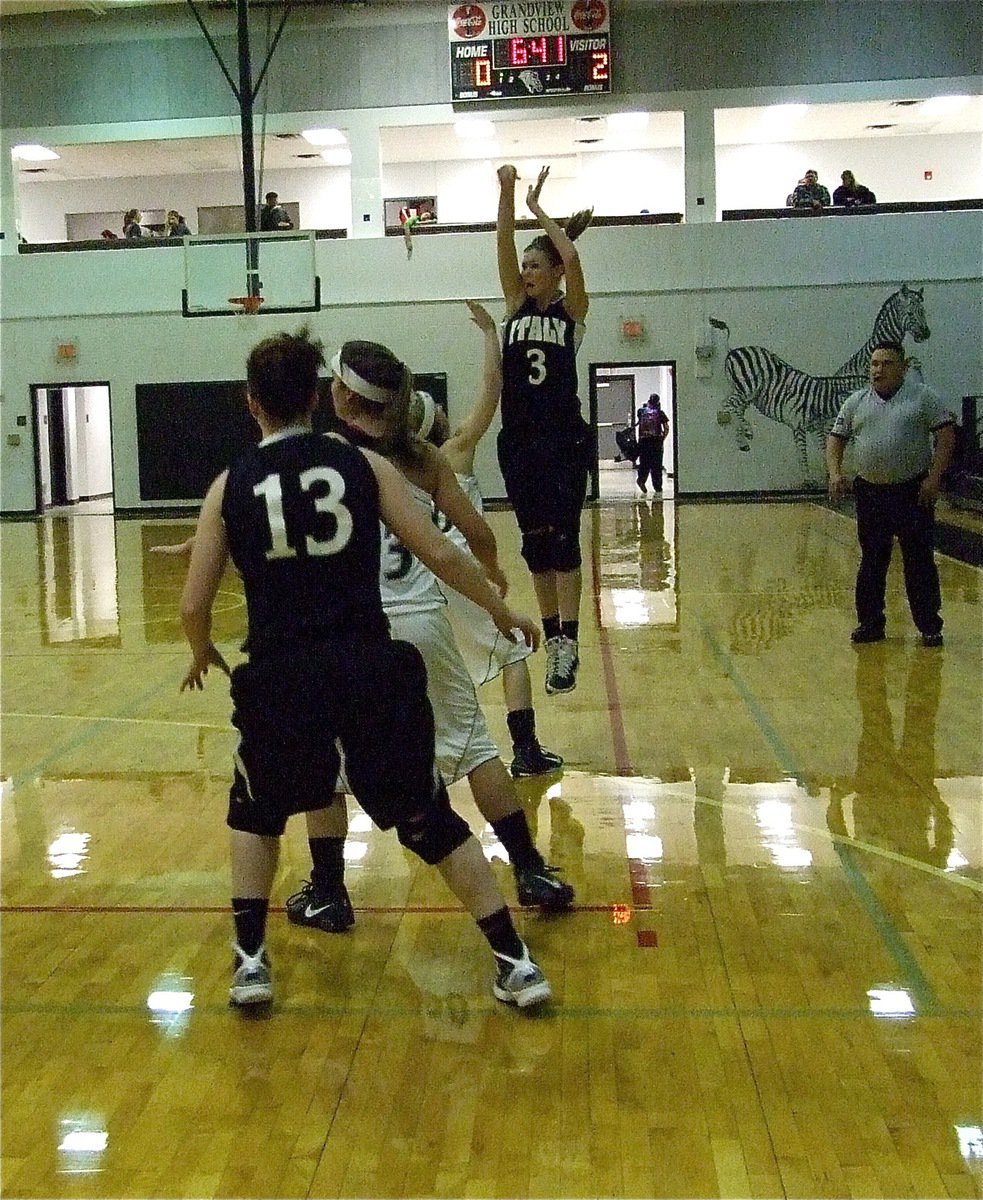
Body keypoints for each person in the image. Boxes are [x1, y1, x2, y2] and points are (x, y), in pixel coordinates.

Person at [179, 326, 552, 1010]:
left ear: (250, 403)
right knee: (427, 818)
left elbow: (193, 603)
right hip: (367, 668)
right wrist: (499, 610)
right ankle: (514, 960)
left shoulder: (229, 485)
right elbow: (442, 554)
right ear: (318, 397)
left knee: (256, 816)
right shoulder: (369, 468)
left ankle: (251, 964)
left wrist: (201, 648)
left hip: (283, 673)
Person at [285, 336, 574, 940]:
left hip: (352, 632)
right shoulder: (426, 459)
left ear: (340, 395)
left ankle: (330, 893)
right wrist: (495, 595)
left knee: (327, 765)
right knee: (473, 749)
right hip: (424, 622)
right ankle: (529, 869)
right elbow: (469, 537)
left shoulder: (321, 460)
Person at [419, 300, 563, 780]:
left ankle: (421, 755)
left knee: (428, 670)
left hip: (423, 582)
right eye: (436, 405)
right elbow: (493, 389)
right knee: (514, 650)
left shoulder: (397, 467)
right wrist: (489, 335)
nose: (443, 406)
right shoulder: (455, 450)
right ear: (434, 421)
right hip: (465, 573)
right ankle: (525, 750)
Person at [495, 162, 594, 695]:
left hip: (562, 441)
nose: (528, 271)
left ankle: (571, 642)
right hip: (519, 446)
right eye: (526, 266)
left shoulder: (570, 314)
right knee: (536, 545)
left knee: (564, 541)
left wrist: (539, 211)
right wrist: (508, 193)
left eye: (537, 265)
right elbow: (502, 243)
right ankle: (553, 639)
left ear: (553, 273)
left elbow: (572, 254)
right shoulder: (513, 308)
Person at [826, 340, 957, 647]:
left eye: (886, 363)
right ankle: (870, 624)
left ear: (903, 367)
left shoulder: (923, 398)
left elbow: (947, 436)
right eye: (874, 364)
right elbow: (836, 440)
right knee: (872, 560)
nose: (878, 370)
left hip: (913, 492)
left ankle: (929, 626)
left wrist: (935, 478)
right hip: (870, 493)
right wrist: (835, 472)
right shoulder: (856, 402)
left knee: (918, 559)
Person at [635, 393, 670, 494]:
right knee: (656, 466)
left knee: (644, 464)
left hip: (643, 442)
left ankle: (641, 480)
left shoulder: (641, 411)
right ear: (658, 402)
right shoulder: (660, 413)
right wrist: (663, 438)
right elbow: (666, 428)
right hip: (656, 442)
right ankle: (657, 487)